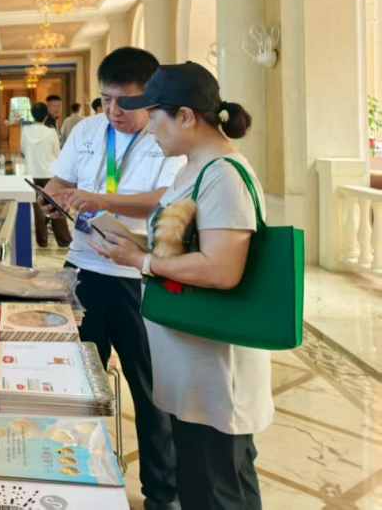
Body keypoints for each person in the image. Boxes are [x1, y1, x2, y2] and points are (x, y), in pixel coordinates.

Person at [91, 62, 270, 510]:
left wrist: (141, 260)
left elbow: (222, 268)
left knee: (219, 489)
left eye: (155, 117)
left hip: (216, 372)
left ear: (186, 116)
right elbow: (181, 247)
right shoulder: (193, 168)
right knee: (196, 484)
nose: (150, 128)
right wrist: (131, 244)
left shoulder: (224, 175)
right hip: (189, 364)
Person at [42, 47, 185, 510]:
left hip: (137, 275)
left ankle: (161, 495)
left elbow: (164, 198)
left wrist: (100, 199)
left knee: (151, 391)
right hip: (83, 272)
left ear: (150, 97)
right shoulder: (87, 130)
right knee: (80, 384)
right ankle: (84, 486)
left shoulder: (165, 134)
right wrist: (52, 199)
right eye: (105, 100)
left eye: (125, 101)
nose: (113, 111)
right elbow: (60, 182)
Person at [21, 103, 71, 249]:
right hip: (49, 174)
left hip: (32, 174)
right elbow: (57, 153)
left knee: (38, 208)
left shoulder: (25, 131)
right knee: (55, 206)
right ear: (46, 115)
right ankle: (64, 240)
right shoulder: (51, 132)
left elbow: (23, 150)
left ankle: (42, 241)